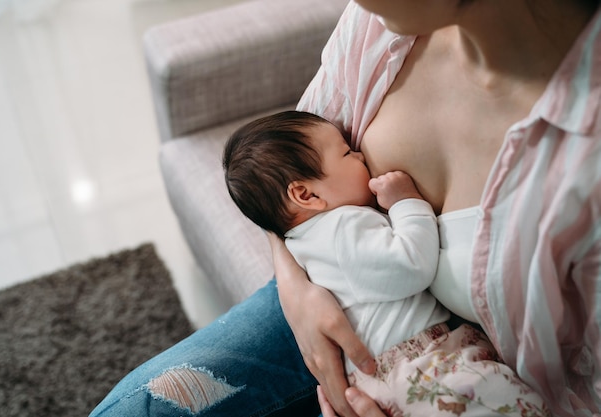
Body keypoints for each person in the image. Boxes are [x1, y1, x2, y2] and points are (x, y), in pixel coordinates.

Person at [89, 0, 601, 415]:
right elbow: (282, 183)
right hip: (334, 309)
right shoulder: (380, 27)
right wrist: (296, 292)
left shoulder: (585, 158)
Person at [223, 109, 548, 415]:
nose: (361, 154)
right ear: (306, 195)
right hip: (421, 367)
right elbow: (410, 266)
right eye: (348, 154)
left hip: (387, 378)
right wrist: (407, 203)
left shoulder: (301, 240)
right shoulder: (343, 225)